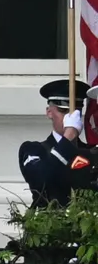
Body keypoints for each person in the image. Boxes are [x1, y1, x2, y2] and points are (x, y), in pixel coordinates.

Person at [27, 79, 98, 217]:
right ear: (49, 112)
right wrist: (69, 134)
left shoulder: (92, 152)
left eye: (76, 111)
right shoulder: (34, 149)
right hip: (52, 233)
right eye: (63, 111)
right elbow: (41, 181)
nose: (69, 117)